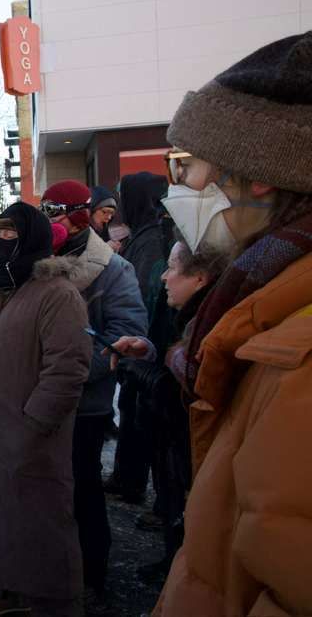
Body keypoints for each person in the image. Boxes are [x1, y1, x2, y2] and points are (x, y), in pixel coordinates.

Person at [141, 32, 312, 616]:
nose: (181, 188)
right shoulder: (262, 297)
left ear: (257, 174)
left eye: (188, 166)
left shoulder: (297, 354)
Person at [0, 203, 92, 617]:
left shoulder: (57, 294)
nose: (2, 241)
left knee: (42, 516)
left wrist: (35, 422)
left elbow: (68, 367)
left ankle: (53, 602)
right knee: (3, 511)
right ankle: (8, 588)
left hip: (32, 433)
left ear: (32, 239)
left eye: (11, 234)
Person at [40, 179, 148, 599]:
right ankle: (46, 566)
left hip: (84, 403)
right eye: (45, 212)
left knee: (81, 487)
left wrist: (71, 373)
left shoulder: (114, 269)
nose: (52, 221)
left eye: (58, 212)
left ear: (81, 217)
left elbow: (126, 333)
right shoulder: (36, 261)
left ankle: (90, 574)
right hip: (35, 396)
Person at [111, 237, 226, 584]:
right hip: (176, 445)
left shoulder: (213, 323)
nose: (163, 276)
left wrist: (150, 372)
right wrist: (148, 352)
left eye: (173, 268)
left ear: (200, 278)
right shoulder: (194, 315)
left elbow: (194, 388)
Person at [106, 171, 171, 506]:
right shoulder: (142, 235)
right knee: (131, 411)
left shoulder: (152, 239)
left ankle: (156, 498)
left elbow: (144, 292)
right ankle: (126, 478)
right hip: (139, 342)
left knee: (145, 418)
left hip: (147, 344)